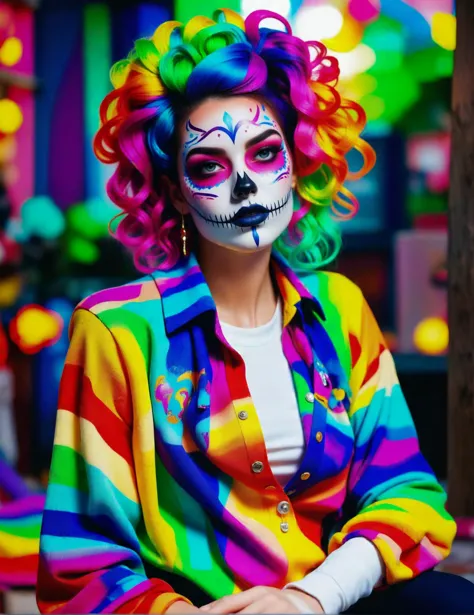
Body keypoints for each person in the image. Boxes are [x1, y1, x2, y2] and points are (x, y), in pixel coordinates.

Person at [36, 8, 474, 615]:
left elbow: (407, 494)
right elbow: (81, 563)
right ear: (176, 195)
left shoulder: (339, 310)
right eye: (209, 166)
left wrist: (309, 599)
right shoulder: (118, 331)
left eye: (265, 153)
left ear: (298, 163)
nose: (244, 185)